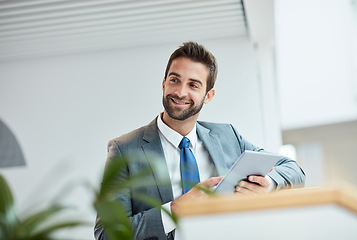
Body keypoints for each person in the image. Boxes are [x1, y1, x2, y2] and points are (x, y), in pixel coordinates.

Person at [94, 42, 305, 240]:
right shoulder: (124, 149)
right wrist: (177, 208)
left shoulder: (228, 136)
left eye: (193, 85)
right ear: (163, 84)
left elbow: (293, 170)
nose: (180, 92)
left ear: (208, 95)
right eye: (174, 80)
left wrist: (268, 184)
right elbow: (107, 233)